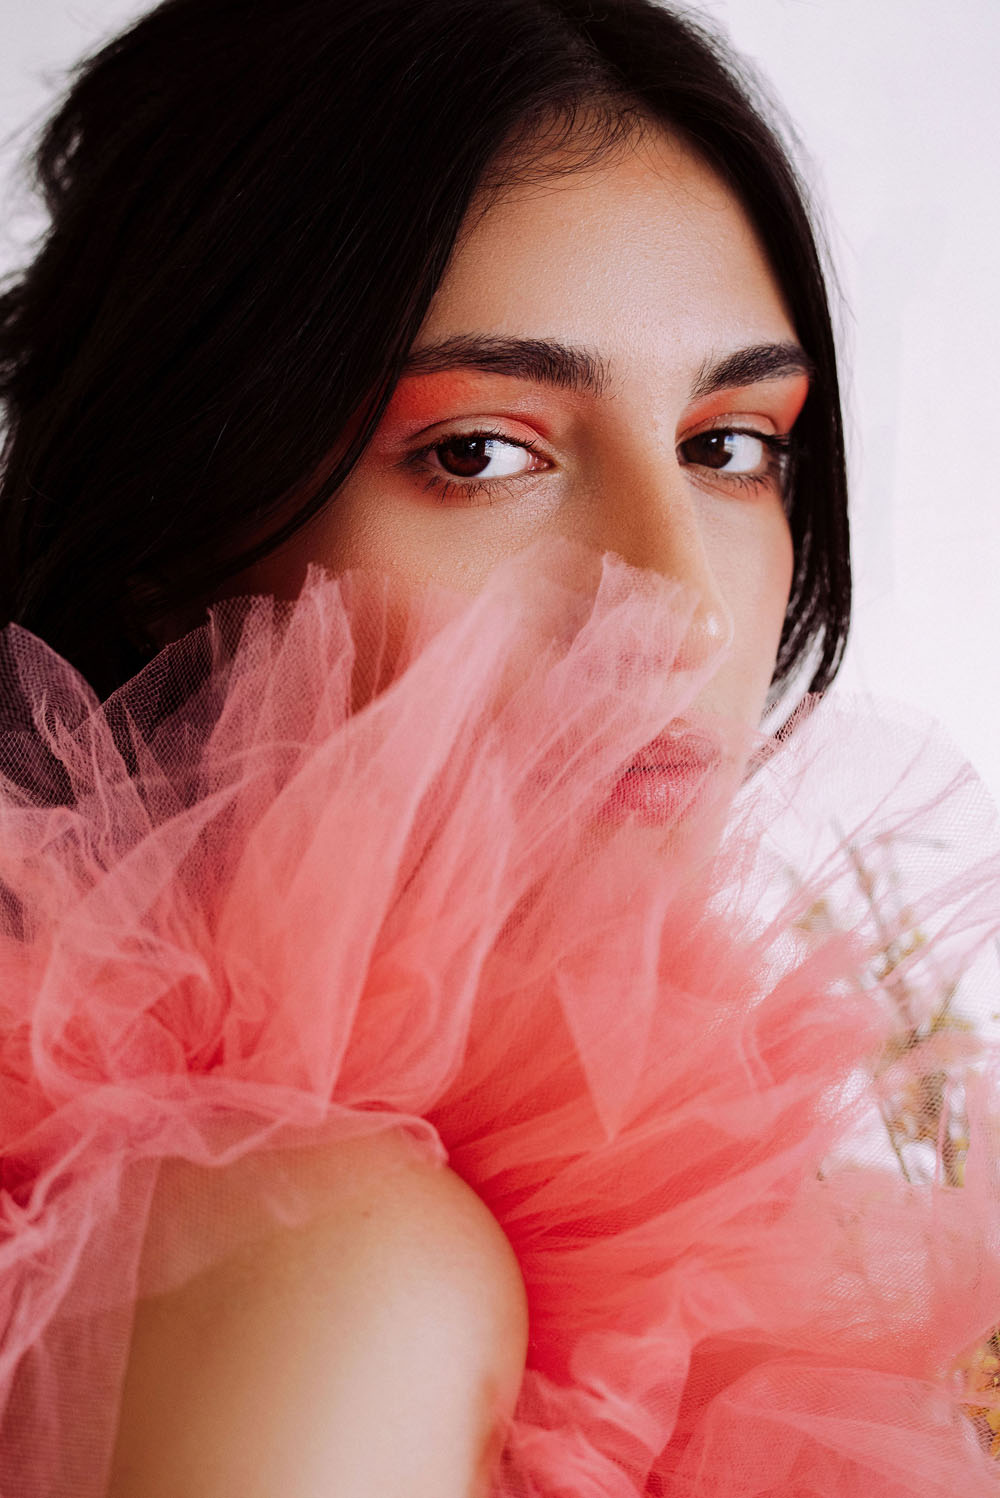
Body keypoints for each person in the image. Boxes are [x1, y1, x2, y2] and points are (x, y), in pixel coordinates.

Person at [0, 2, 997, 1495]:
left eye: (730, 446)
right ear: (175, 531)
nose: (677, 608)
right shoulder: (328, 1264)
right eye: (479, 452)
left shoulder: (705, 1231)